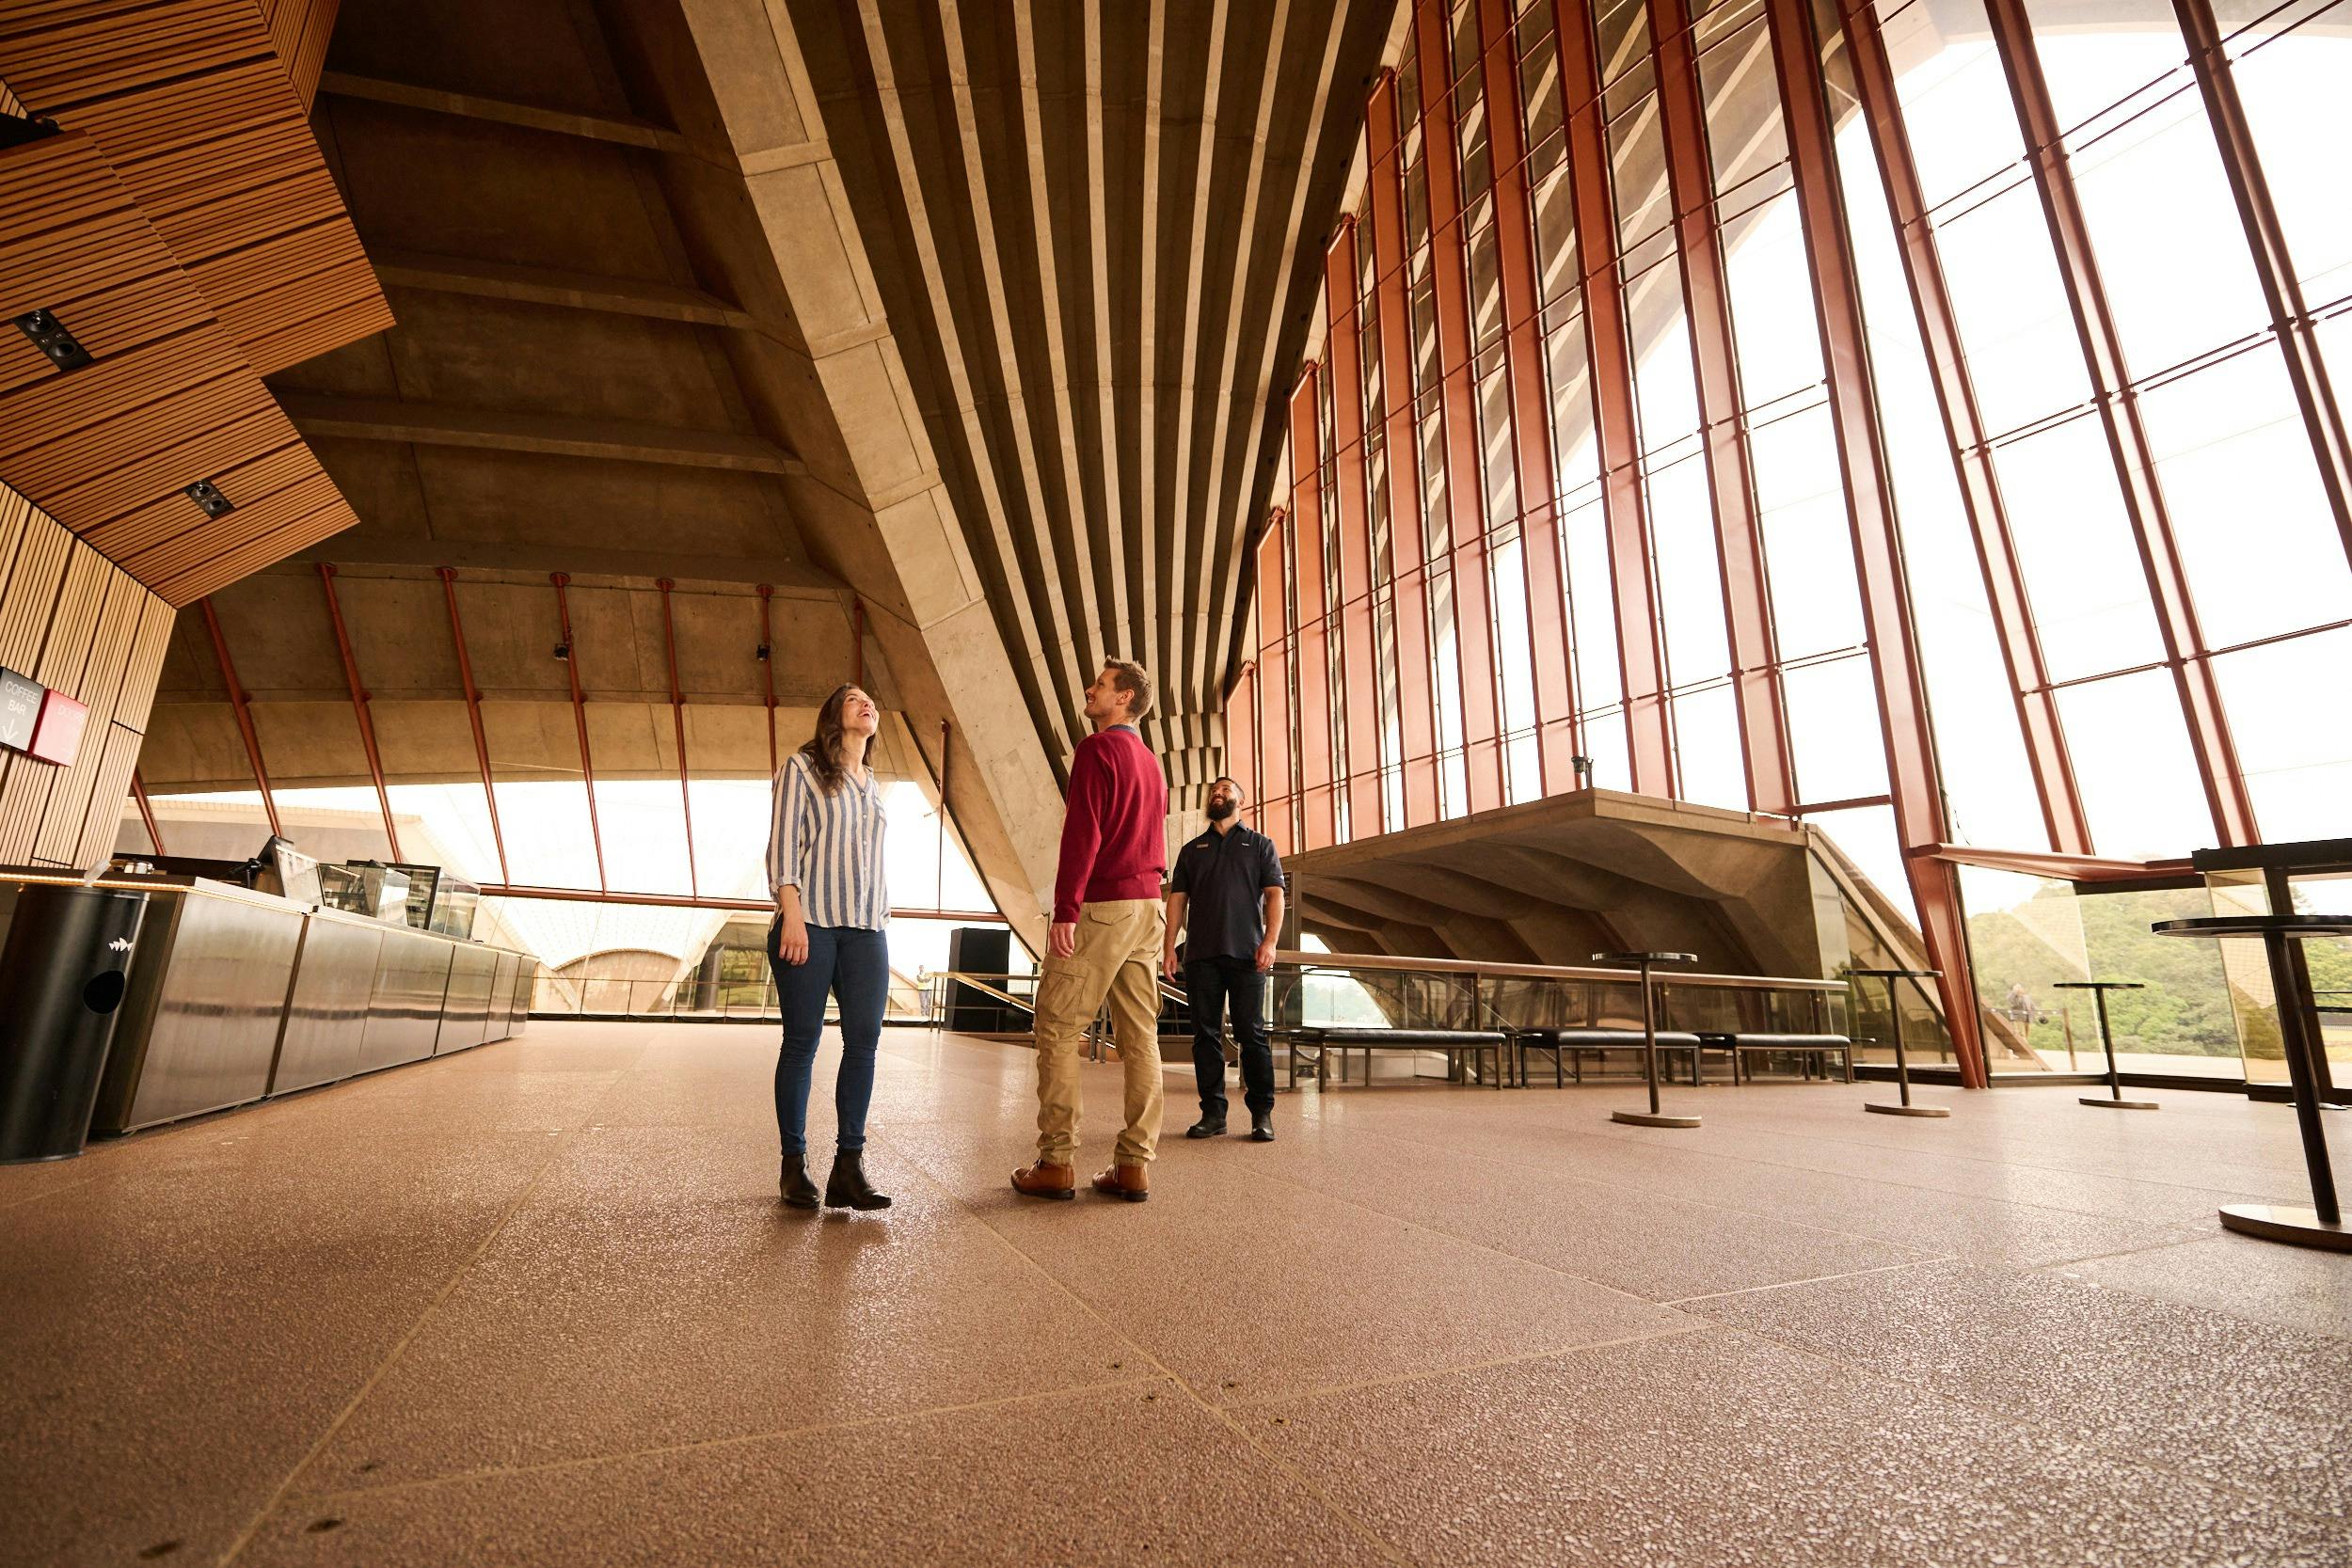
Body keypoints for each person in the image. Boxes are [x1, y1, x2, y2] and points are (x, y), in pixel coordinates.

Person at [1011, 659, 1170, 1203]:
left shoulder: (1097, 749)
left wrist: (1066, 909)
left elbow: (1084, 832)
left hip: (1104, 905)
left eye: (1101, 686)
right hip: (1149, 909)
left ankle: (1055, 1163)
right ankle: (1134, 1166)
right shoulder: (1152, 764)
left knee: (1056, 1027)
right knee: (1140, 1037)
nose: (1090, 690)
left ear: (1123, 698)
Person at [765, 683, 892, 1212]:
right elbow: (782, 848)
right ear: (833, 718)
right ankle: (793, 1166)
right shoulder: (803, 769)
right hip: (811, 923)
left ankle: (849, 1167)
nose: (867, 703)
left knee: (863, 1043)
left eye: (870, 700)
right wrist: (790, 916)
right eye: (853, 699)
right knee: (803, 1042)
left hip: (867, 929)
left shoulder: (873, 785)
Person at [1164, 775, 1285, 1142]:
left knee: (1252, 1035)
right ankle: (1213, 1113)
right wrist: (1169, 947)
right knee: (1205, 1036)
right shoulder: (1192, 849)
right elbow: (1177, 901)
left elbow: (1275, 895)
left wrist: (1270, 942)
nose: (1218, 793)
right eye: (1215, 790)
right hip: (1201, 956)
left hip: (1249, 955)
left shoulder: (1260, 845)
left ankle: (1261, 1115)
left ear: (1241, 801)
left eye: (1227, 790)